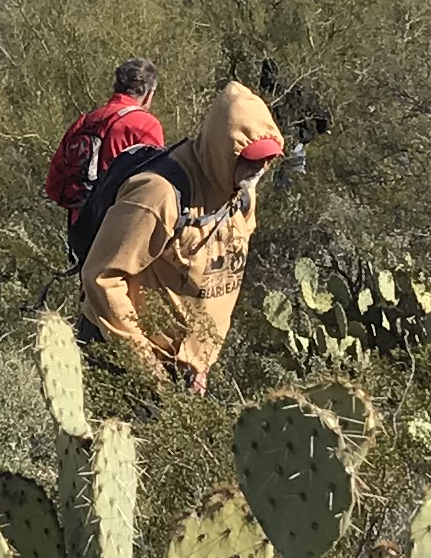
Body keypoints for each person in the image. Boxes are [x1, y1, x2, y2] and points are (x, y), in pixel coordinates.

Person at [74, 79, 283, 394]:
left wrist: (200, 361)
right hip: (123, 358)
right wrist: (145, 365)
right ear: (223, 151)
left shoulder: (242, 196)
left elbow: (223, 281)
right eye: (252, 158)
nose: (261, 167)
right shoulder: (158, 193)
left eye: (269, 158)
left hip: (186, 370)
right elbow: (101, 277)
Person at [46, 57, 166, 267]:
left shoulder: (86, 121)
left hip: (82, 231)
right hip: (121, 236)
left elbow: (53, 184)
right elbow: (157, 188)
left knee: (90, 296)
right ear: (148, 93)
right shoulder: (145, 124)